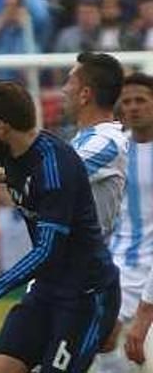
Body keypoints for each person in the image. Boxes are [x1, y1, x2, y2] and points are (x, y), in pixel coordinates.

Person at [0, 81, 120, 373]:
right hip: (47, 290)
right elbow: (21, 172)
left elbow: (47, 251)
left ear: (1, 126)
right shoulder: (14, 152)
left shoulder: (55, 167)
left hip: (85, 295)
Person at [108, 73, 153, 367]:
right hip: (121, 273)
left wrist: (144, 315)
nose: (133, 107)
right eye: (127, 102)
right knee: (106, 356)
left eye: (141, 100)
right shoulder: (115, 151)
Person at [61, 52, 127, 242]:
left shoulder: (105, 142)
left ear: (85, 95)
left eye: (70, 82)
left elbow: (51, 173)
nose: (64, 90)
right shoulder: (86, 138)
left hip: (106, 264)